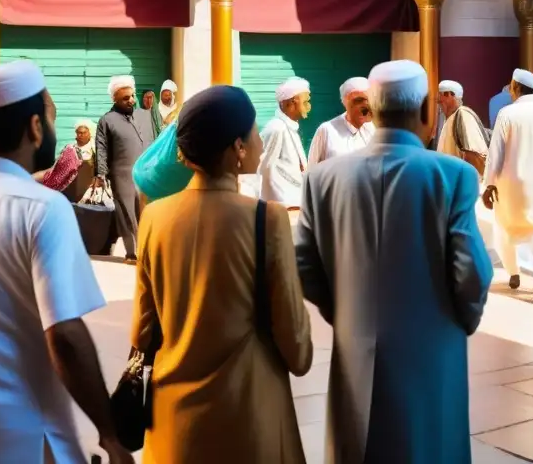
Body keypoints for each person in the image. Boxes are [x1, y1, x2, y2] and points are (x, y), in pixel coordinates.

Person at [295, 60, 492, 464]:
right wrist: (459, 321)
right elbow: (471, 269)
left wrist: (345, 313)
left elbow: (303, 263)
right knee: (431, 444)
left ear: (374, 109)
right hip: (434, 348)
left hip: (356, 346)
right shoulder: (453, 176)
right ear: (424, 111)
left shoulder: (323, 178)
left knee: (360, 442)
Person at [132, 85, 313, 463]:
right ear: (238, 148)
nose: (260, 140)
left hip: (173, 429)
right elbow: (297, 351)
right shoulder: (268, 220)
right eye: (254, 132)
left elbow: (142, 333)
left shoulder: (154, 218)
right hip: (248, 421)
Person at [0, 60, 134, 464]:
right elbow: (65, 335)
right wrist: (110, 435)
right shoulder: (42, 208)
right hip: (18, 433)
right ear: (34, 127)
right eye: (51, 115)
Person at [483, 68, 533, 302]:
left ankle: (513, 273)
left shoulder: (507, 113)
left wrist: (489, 184)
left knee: (505, 227)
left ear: (516, 87)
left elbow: (495, 153)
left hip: (511, 183)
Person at [95, 75, 155, 261]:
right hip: (122, 174)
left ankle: (149, 252)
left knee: (148, 213)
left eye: (132, 96)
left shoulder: (144, 116)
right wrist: (101, 173)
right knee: (127, 213)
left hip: (147, 173)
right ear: (114, 99)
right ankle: (131, 253)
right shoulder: (107, 120)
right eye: (125, 98)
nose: (131, 100)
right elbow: (101, 148)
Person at [258, 77, 311, 209]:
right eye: (305, 102)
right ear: (290, 103)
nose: (308, 106)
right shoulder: (276, 128)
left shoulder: (290, 128)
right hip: (281, 209)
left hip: (296, 206)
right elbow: (260, 168)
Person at [308, 77, 374, 165]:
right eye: (359, 100)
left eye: (369, 99)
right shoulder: (327, 130)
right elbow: (311, 169)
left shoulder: (377, 129)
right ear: (345, 102)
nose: (366, 104)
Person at [436, 80, 491, 174]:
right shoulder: (449, 119)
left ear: (450, 95)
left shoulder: (462, 114)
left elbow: (474, 156)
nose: (438, 101)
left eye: (441, 95)